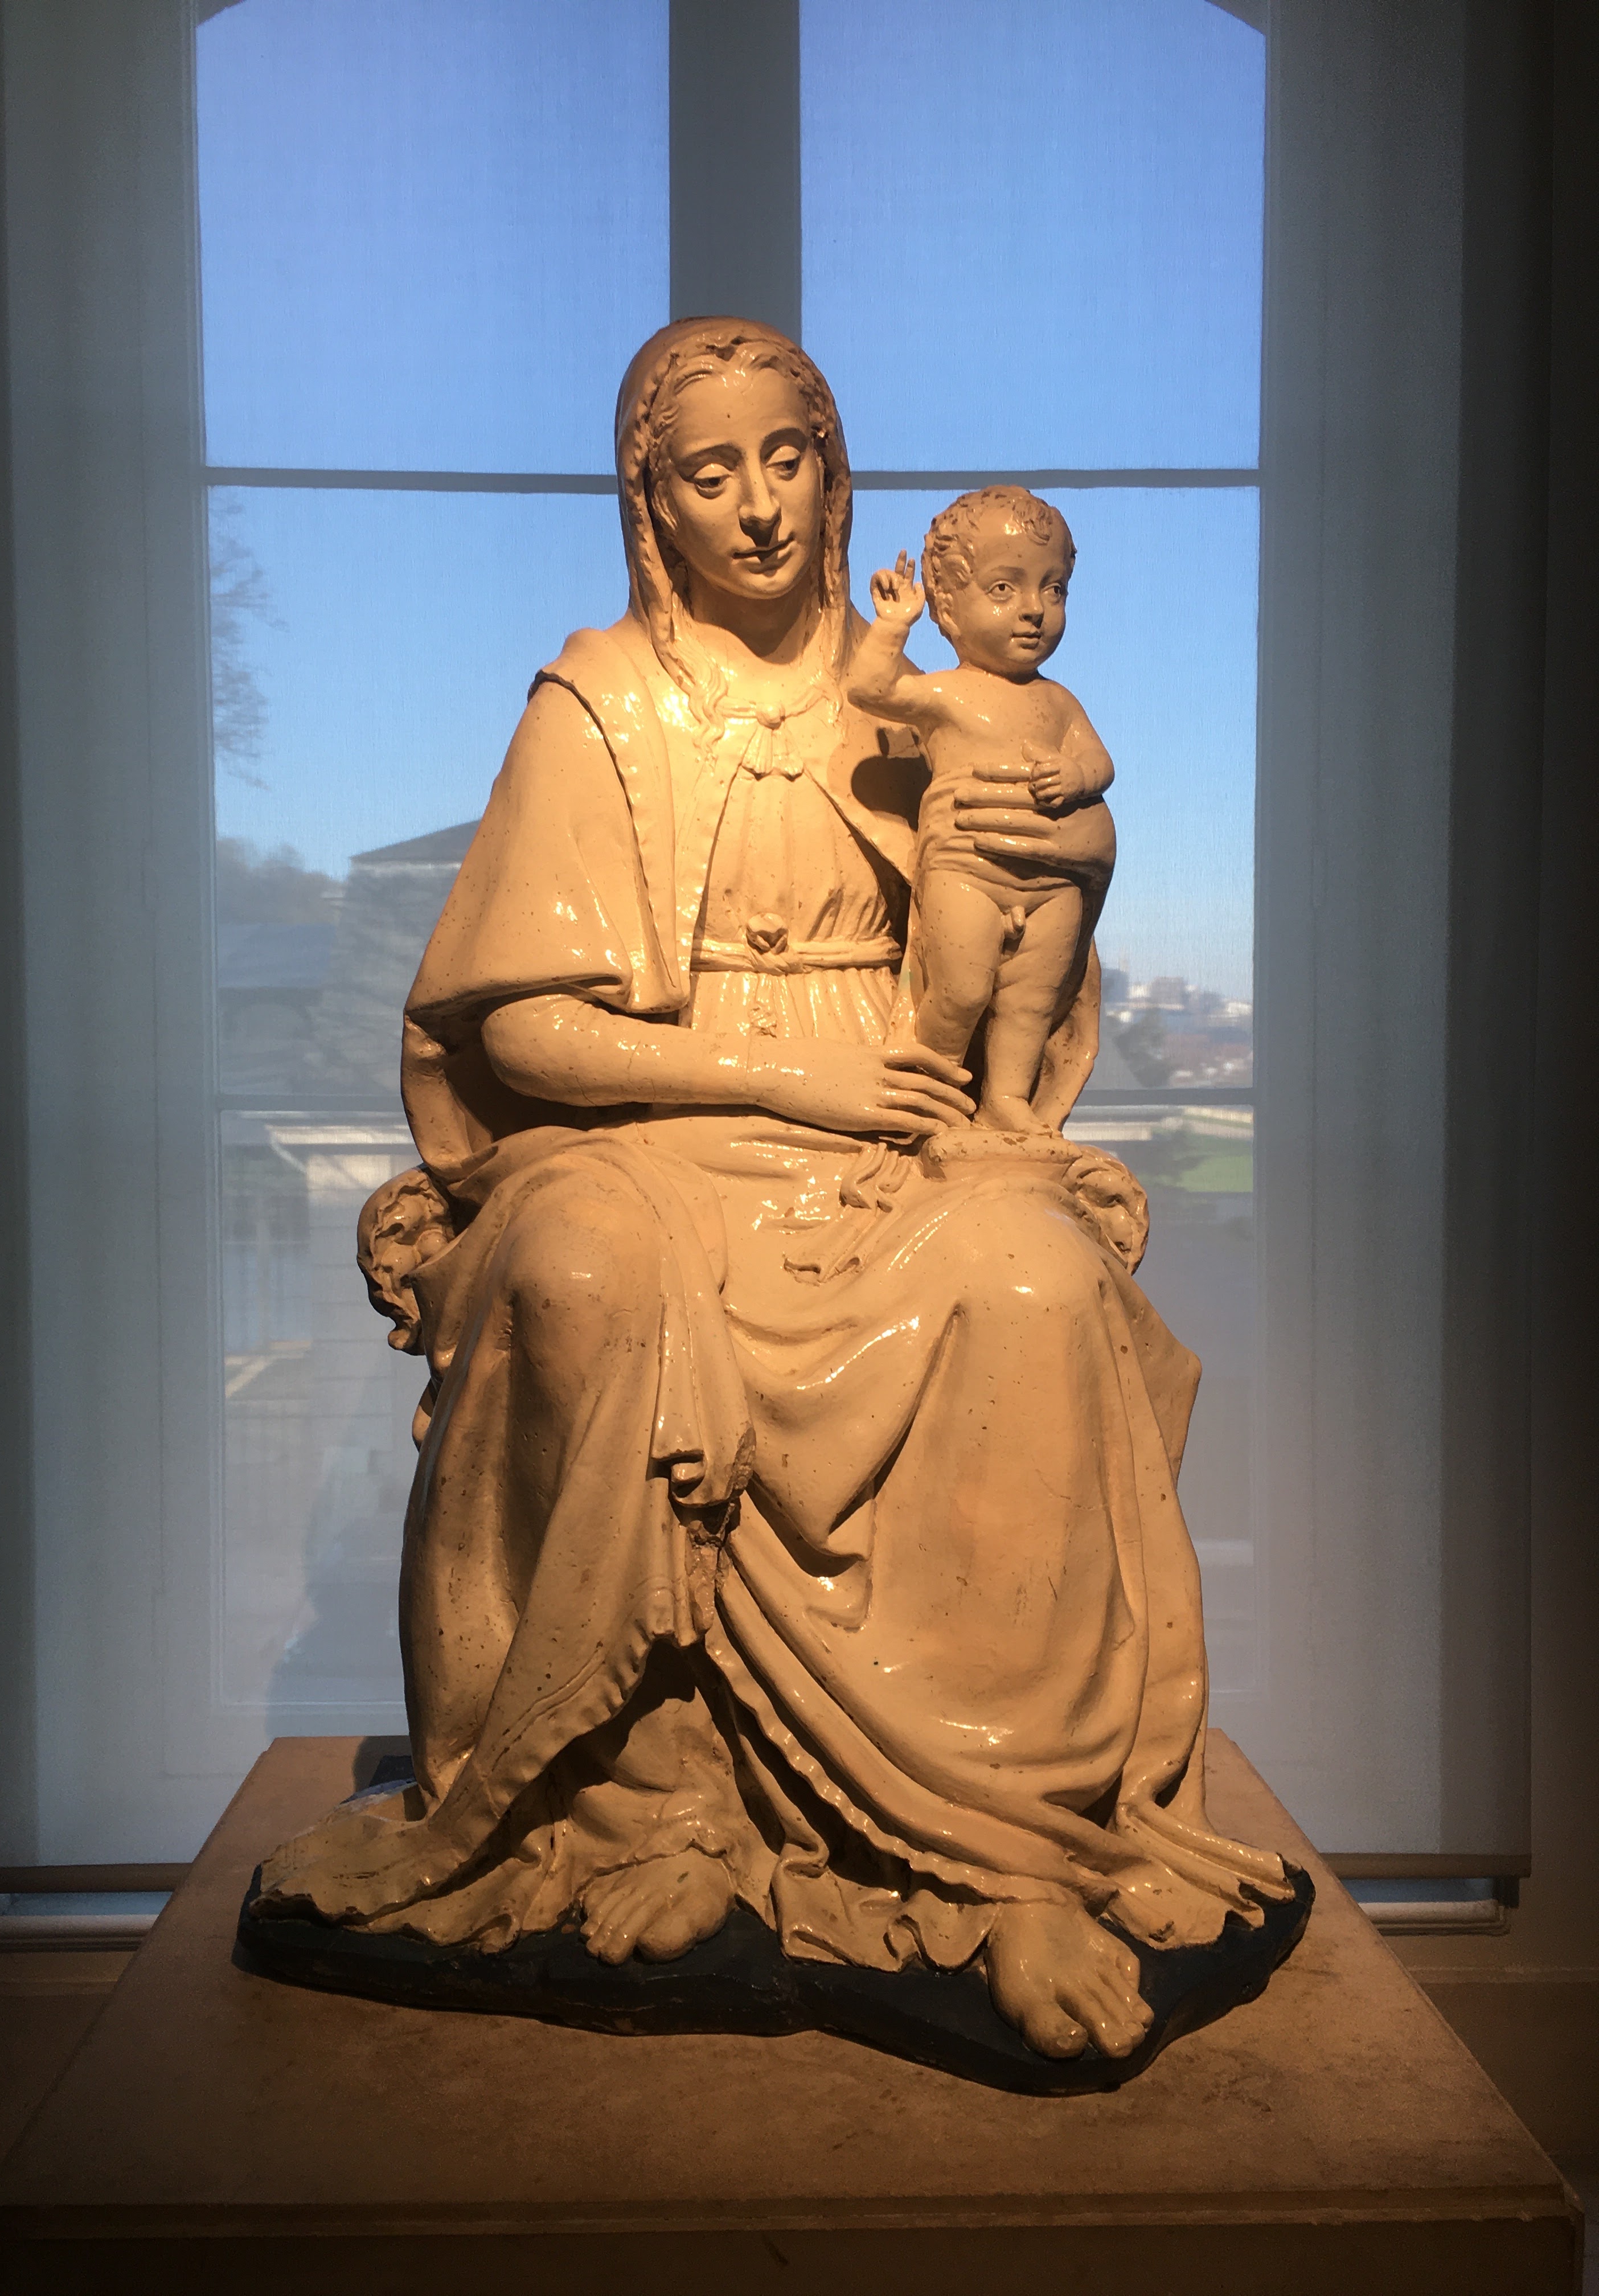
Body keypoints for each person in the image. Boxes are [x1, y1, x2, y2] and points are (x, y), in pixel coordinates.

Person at [255, 319, 1289, 2063]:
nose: (756, 508)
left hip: (901, 1115)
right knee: (583, 1281)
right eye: (709, 472)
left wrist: (1052, 877)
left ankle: (1012, 1850)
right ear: (649, 501)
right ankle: (650, 1812)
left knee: (1033, 1289)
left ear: (835, 470)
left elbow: (1028, 920)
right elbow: (524, 1028)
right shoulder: (603, 704)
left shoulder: (914, 692)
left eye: (786, 460)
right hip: (644, 1127)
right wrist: (777, 1073)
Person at [848, 487, 1116, 1132]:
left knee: (1030, 1000)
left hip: (1052, 886)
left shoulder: (1059, 702)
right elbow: (870, 688)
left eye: (1054, 590)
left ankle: (1007, 1100)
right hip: (966, 870)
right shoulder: (948, 693)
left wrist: (1077, 775)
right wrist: (894, 625)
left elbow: (1100, 763)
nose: (1034, 610)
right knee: (960, 991)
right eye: (1003, 589)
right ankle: (934, 1089)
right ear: (948, 608)